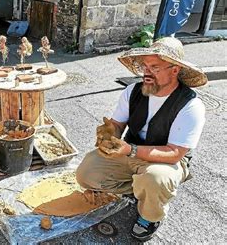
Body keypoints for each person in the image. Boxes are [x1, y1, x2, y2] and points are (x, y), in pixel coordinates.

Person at [76, 37, 207, 241]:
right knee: (86, 173)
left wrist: (130, 150)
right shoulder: (133, 91)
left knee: (155, 178)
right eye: (145, 66)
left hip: (166, 160)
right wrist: (109, 133)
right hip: (130, 151)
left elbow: (175, 153)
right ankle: (142, 190)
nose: (147, 72)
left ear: (174, 70)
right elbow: (117, 124)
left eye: (155, 67)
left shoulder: (190, 105)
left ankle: (150, 215)